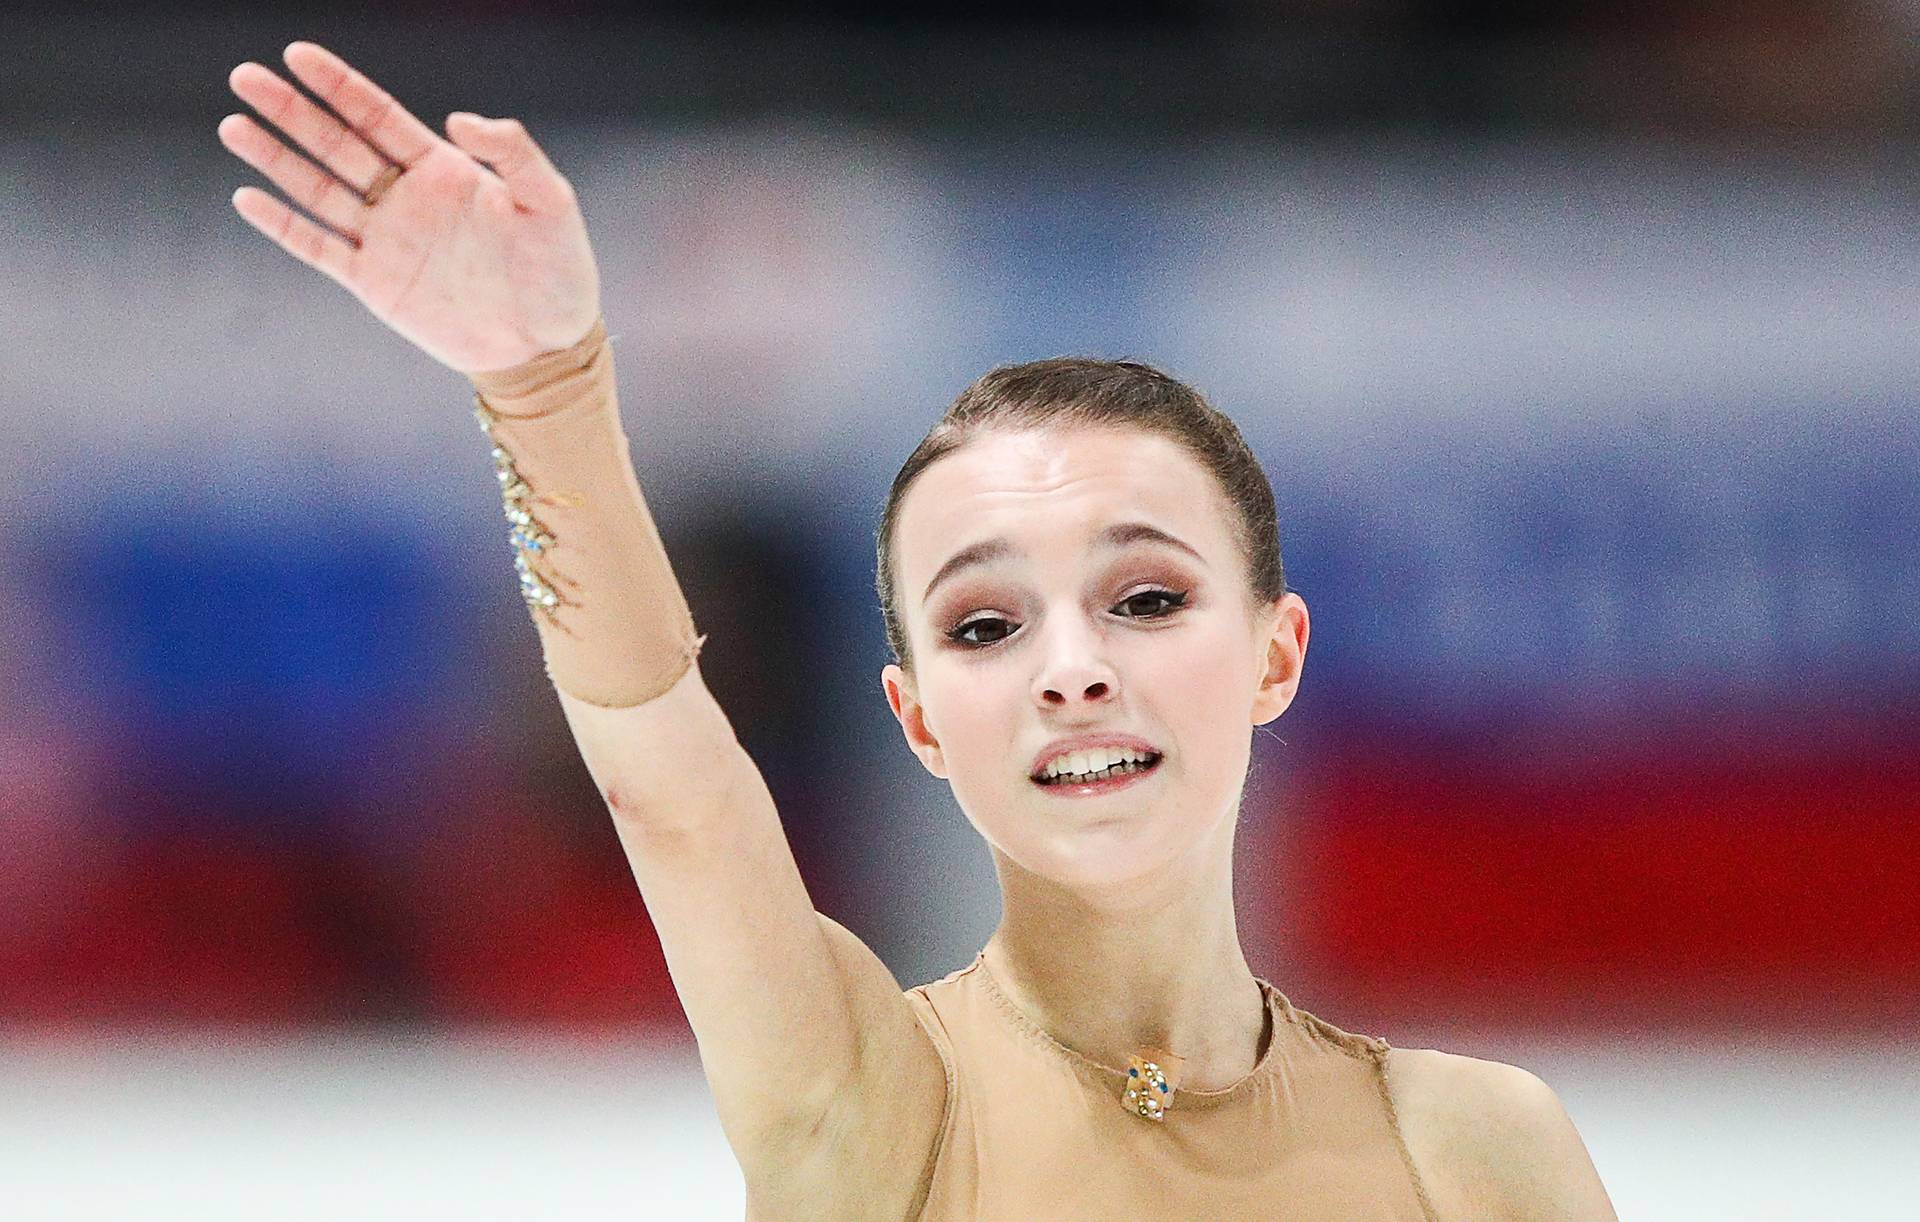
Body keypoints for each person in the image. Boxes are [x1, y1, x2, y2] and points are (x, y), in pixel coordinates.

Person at [219, 40, 1619, 1220]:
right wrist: (543, 385)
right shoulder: (871, 1098)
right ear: (918, 717)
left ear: (1276, 652)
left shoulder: (1474, 1149)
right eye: (987, 624)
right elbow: (669, 779)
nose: (1074, 669)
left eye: (1145, 598)